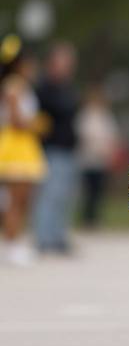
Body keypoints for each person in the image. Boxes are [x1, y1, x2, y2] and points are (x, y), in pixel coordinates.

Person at [0, 36, 47, 266]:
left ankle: (13, 241)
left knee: (21, 200)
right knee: (16, 201)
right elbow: (17, 120)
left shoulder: (19, 86)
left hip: (24, 145)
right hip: (16, 146)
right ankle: (10, 245)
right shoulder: (14, 86)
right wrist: (36, 124)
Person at [33, 42, 79, 253]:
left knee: (64, 195)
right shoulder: (44, 88)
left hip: (67, 148)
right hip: (51, 149)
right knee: (50, 195)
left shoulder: (66, 87)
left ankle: (58, 235)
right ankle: (45, 237)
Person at [75, 84, 121, 228]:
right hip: (88, 159)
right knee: (89, 190)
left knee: (98, 191)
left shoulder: (105, 116)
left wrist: (111, 150)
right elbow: (84, 135)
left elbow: (113, 135)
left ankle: (95, 217)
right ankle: (86, 218)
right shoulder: (85, 115)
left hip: (102, 160)